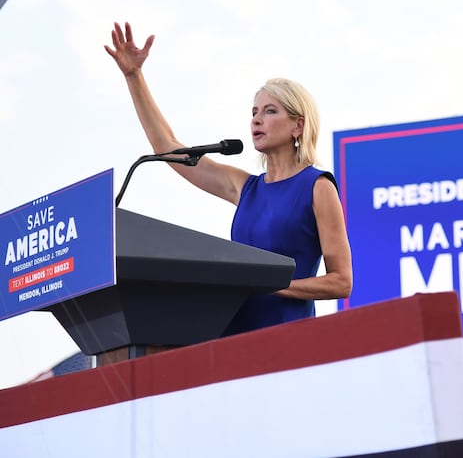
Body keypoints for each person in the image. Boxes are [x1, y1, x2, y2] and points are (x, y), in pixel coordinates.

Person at [104, 22, 352, 334]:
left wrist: (271, 286)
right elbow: (166, 147)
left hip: (287, 336)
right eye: (254, 112)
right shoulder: (245, 187)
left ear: (298, 126)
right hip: (232, 333)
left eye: (270, 111)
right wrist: (134, 77)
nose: (257, 120)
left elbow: (341, 281)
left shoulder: (317, 187)